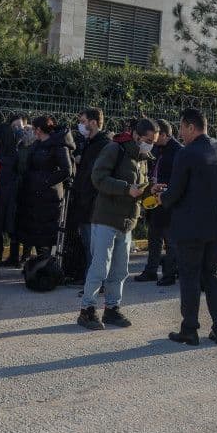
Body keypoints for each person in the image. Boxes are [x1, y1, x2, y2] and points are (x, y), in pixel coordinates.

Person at [159, 108, 217, 346]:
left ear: (191, 127)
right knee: (214, 275)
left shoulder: (187, 153)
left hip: (192, 227)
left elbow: (175, 193)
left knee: (190, 277)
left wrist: (162, 196)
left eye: (181, 128)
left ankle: (189, 330)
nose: (179, 133)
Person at [77, 118, 157, 331]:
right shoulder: (115, 149)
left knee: (120, 270)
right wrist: (125, 188)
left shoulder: (143, 158)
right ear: (136, 135)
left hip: (127, 221)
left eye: (153, 141)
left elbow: (139, 187)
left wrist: (151, 191)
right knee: (99, 268)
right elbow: (98, 178)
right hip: (106, 218)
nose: (150, 144)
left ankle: (112, 308)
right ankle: (87, 310)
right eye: (148, 140)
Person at [16, 115, 73, 260]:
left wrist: (46, 180)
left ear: (39, 129)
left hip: (49, 197)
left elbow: (67, 170)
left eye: (34, 128)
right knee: (35, 232)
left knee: (46, 233)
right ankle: (39, 263)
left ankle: (45, 263)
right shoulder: (37, 144)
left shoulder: (58, 146)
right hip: (34, 196)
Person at [137, 119, 181, 285]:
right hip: (153, 199)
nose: (153, 142)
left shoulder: (178, 151)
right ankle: (151, 271)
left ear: (164, 134)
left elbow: (179, 179)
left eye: (156, 137)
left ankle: (169, 274)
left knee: (170, 240)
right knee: (153, 237)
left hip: (168, 201)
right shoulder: (156, 148)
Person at [69, 108, 111, 274]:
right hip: (85, 202)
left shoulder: (103, 145)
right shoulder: (89, 143)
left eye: (83, 122)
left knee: (94, 246)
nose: (80, 125)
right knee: (88, 244)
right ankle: (90, 279)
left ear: (94, 122)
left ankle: (94, 281)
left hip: (93, 203)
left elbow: (96, 176)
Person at [0, 113, 28, 267]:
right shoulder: (4, 146)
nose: (18, 129)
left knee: (14, 226)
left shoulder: (26, 145)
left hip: (18, 191)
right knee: (2, 227)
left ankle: (18, 256)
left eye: (21, 127)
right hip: (7, 191)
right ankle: (11, 258)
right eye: (15, 127)